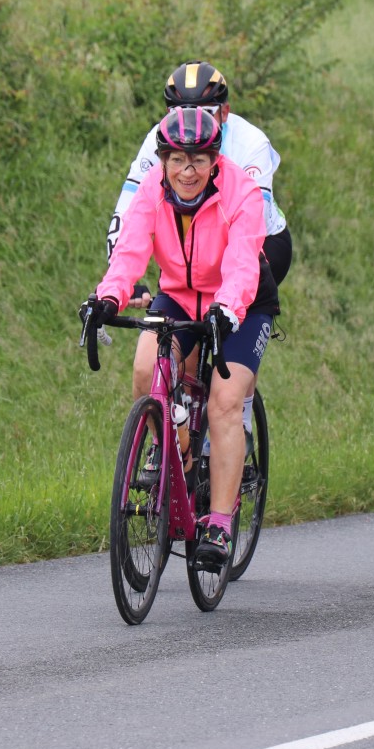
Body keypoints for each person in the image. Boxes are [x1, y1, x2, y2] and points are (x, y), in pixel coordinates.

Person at [83, 106, 278, 569]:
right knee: (145, 371)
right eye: (176, 160)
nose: (186, 171)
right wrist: (108, 297)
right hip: (178, 296)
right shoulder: (152, 190)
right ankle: (180, 456)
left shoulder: (241, 193)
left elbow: (243, 264)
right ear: (163, 160)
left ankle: (219, 524)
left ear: (215, 160)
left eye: (197, 160)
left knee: (224, 402)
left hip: (244, 303)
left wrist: (227, 309)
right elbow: (130, 252)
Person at [107, 59, 291, 444]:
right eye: (178, 111)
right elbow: (130, 208)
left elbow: (251, 227)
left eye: (204, 112)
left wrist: (227, 303)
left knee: (231, 329)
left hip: (260, 242)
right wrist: (123, 279)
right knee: (182, 349)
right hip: (199, 247)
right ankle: (181, 438)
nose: (190, 121)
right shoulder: (161, 138)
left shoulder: (250, 142)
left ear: (224, 112)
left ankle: (237, 415)